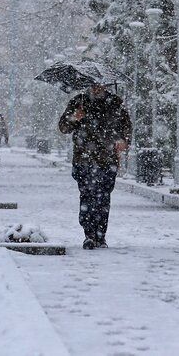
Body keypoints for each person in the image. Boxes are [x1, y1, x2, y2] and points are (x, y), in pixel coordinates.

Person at [58, 82, 131, 249]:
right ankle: (89, 234)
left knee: (103, 198)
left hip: (107, 160)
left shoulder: (115, 103)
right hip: (84, 160)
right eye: (93, 85)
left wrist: (123, 140)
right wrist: (74, 117)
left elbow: (126, 127)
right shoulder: (79, 102)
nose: (97, 88)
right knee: (87, 196)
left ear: (105, 86)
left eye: (100, 85)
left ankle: (101, 235)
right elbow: (63, 127)